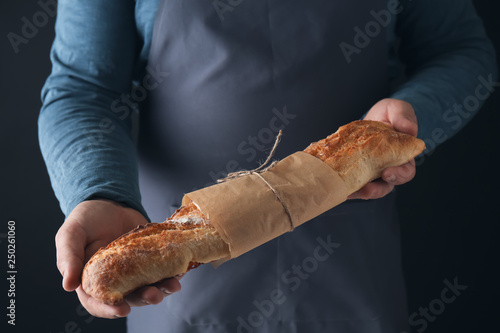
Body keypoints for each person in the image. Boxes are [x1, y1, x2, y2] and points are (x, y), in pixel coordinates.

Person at [39, 0, 497, 332]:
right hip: (175, 274)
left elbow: (461, 49)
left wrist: (411, 116)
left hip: (351, 265)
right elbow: (83, 88)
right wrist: (98, 190)